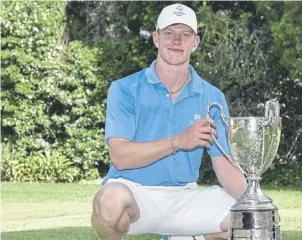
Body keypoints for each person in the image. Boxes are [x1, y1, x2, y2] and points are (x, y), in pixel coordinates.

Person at [91, 3, 247, 240]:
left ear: (195, 42)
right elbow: (120, 157)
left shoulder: (212, 97)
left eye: (185, 34)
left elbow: (225, 166)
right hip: (134, 193)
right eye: (169, 33)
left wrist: (256, 202)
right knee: (110, 203)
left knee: (248, 222)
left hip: (185, 196)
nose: (177, 40)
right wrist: (178, 141)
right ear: (156, 38)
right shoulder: (125, 89)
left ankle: (186, 237)